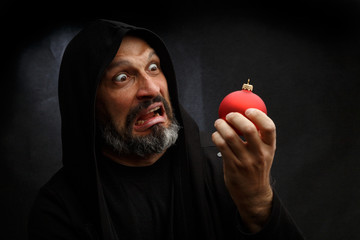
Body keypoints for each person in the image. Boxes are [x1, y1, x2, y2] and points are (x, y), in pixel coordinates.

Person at [28, 19, 304, 240]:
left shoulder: (225, 165)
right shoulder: (59, 209)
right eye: (122, 77)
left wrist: (257, 202)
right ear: (88, 103)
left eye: (153, 67)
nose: (151, 89)